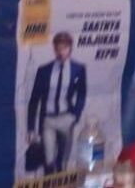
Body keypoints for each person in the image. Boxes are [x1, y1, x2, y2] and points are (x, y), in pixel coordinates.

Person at [27, 32, 87, 174]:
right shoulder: (44, 70)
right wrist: (31, 128)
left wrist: (75, 115)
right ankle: (50, 181)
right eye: (58, 48)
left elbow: (82, 93)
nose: (61, 52)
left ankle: (62, 182)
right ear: (54, 49)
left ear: (70, 48)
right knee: (48, 159)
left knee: (63, 160)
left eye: (64, 48)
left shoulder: (78, 69)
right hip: (48, 119)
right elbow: (34, 99)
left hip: (66, 117)